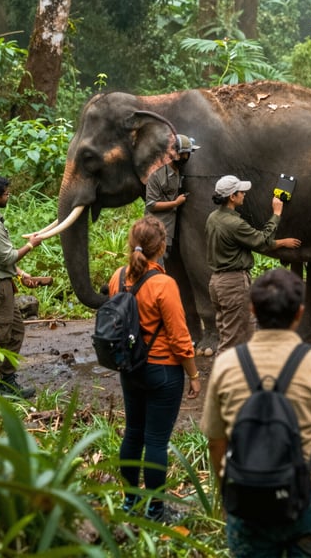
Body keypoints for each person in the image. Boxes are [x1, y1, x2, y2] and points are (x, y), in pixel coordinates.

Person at [202, 267, 311, 557]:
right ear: (300, 313)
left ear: (252, 310)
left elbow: (216, 442)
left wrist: (229, 495)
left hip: (248, 499)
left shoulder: (226, 365)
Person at [108, 215, 202, 522]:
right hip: (163, 371)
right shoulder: (164, 283)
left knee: (133, 434)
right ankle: (156, 509)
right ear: (161, 246)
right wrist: (194, 374)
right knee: (156, 441)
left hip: (130, 369)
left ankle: (130, 502)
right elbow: (179, 336)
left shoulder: (118, 277)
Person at [205, 175, 301, 353]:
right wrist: (277, 214)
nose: (244, 194)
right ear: (232, 197)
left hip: (216, 283)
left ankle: (241, 375)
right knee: (234, 338)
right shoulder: (235, 223)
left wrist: (281, 242)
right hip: (233, 283)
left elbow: (247, 241)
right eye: (241, 192)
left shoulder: (213, 217)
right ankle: (224, 377)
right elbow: (261, 241)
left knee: (234, 331)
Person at [0, 174, 48, 399]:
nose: (9, 196)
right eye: (6, 193)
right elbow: (7, 257)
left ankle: (7, 380)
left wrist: (21, 273)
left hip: (2, 284)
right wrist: (31, 245)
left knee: (15, 330)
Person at [144, 133, 199, 261]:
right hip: (156, 232)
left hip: (169, 231)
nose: (187, 157)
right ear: (175, 155)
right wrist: (175, 203)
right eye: (184, 154)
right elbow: (151, 205)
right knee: (156, 268)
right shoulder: (156, 174)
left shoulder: (179, 170)